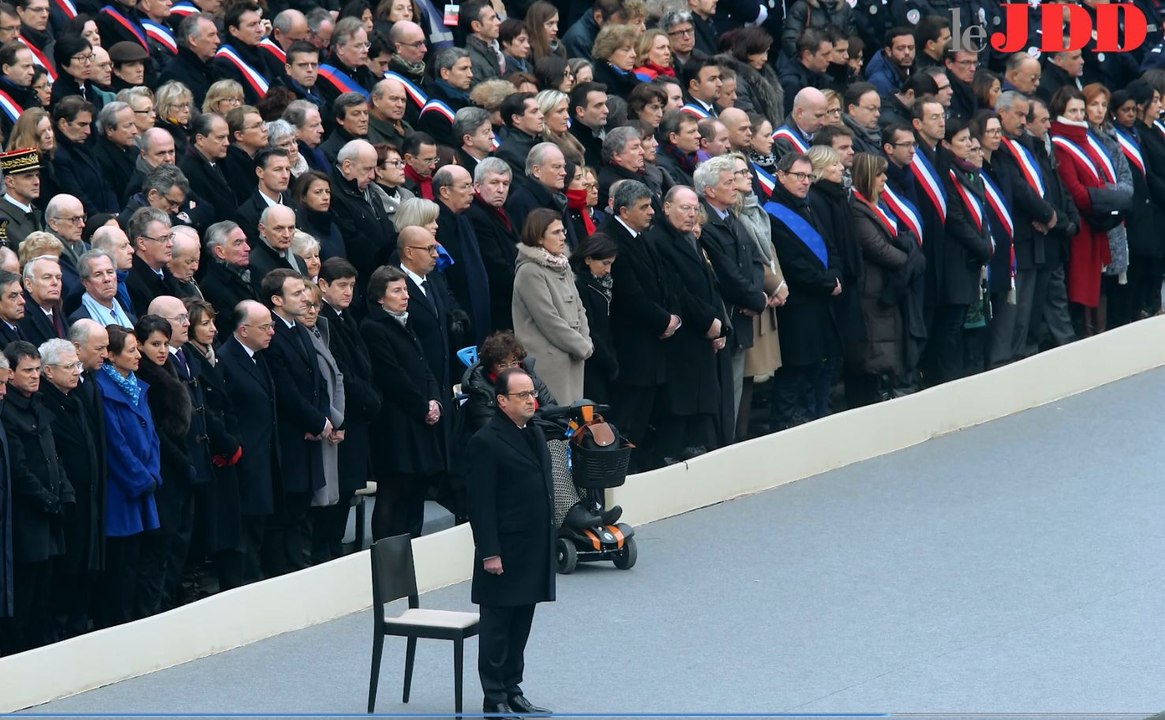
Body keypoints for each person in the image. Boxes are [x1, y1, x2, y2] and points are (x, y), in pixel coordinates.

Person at [465, 365, 554, 719]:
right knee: (497, 627)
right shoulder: (485, 441)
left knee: (521, 624)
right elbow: (480, 503)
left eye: (531, 394)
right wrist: (490, 552)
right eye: (522, 396)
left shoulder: (533, 432)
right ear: (501, 401)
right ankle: (494, 695)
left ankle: (513, 688)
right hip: (503, 551)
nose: (531, 400)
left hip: (533, 547)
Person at [360, 265, 443, 540]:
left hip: (418, 417)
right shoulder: (374, 328)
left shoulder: (405, 321)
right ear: (380, 297)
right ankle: (386, 549)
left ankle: (412, 542)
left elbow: (424, 366)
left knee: (416, 485)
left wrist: (434, 401)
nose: (405, 296)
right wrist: (423, 407)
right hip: (396, 421)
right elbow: (392, 376)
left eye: (405, 289)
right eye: (397, 291)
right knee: (393, 488)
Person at [94, 324, 161, 627]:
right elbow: (115, 445)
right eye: (132, 350)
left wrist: (154, 472)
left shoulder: (137, 385)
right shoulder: (102, 389)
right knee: (123, 561)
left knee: (143, 558)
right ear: (110, 355)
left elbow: (152, 435)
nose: (139, 356)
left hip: (145, 482)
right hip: (123, 490)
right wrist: (142, 478)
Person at [512, 208, 592, 404]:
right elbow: (548, 319)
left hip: (572, 356)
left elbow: (579, 308)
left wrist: (586, 340)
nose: (563, 236)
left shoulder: (563, 264)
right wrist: (580, 345)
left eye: (563, 231)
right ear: (539, 238)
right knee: (556, 425)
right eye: (556, 232)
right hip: (549, 362)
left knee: (574, 424)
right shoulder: (529, 271)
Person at [461, 330, 557, 434]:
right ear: (490, 366)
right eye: (502, 365)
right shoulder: (480, 389)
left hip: (542, 435)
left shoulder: (529, 375)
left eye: (514, 363)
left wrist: (531, 422)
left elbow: (553, 409)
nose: (510, 369)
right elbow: (490, 430)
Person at [570, 232, 617, 404]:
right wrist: (610, 361)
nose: (608, 270)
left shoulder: (601, 283)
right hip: (592, 360)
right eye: (604, 263)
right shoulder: (580, 285)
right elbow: (590, 327)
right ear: (588, 259)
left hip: (603, 355)